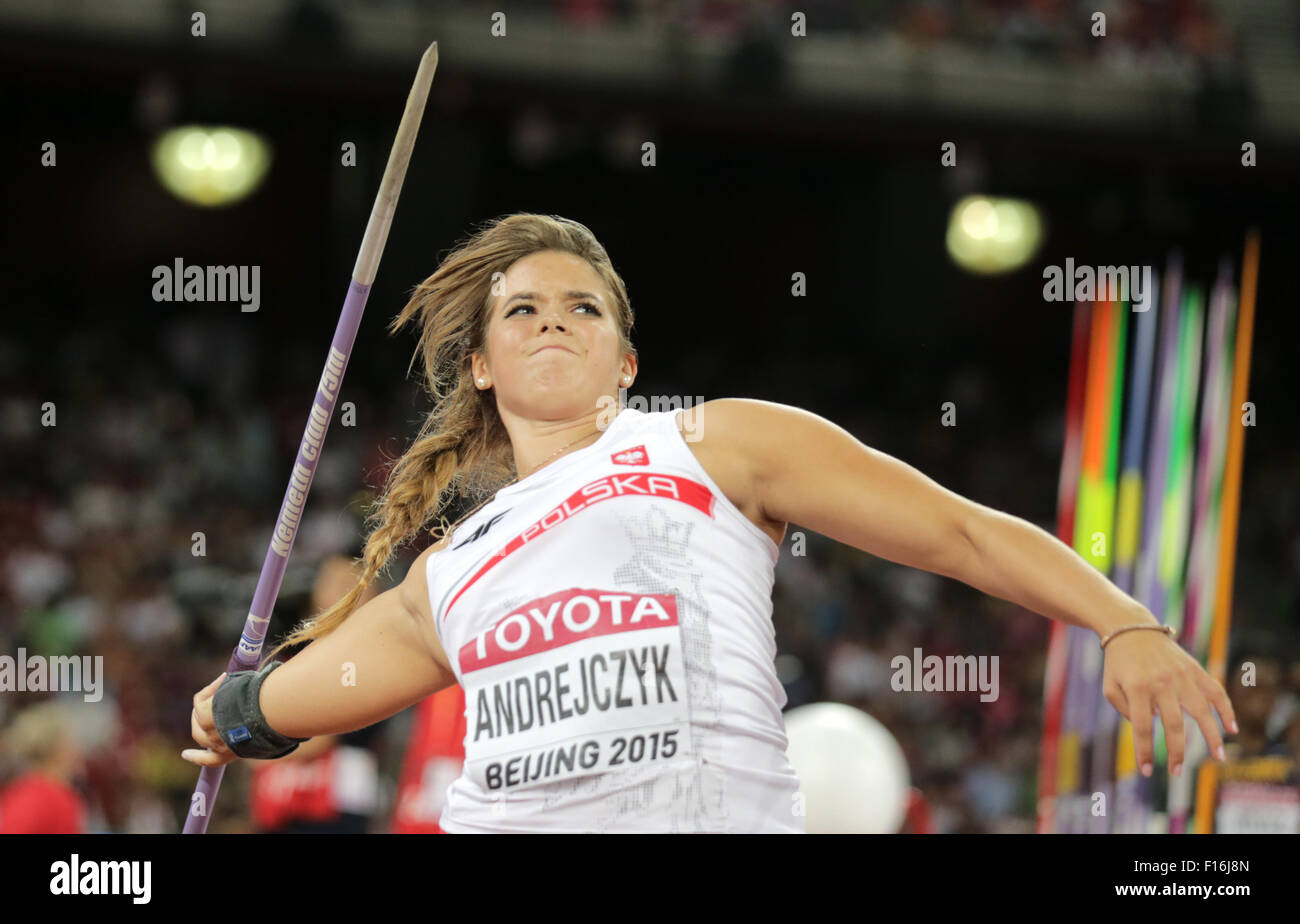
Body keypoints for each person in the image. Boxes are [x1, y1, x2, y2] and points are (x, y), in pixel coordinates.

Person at [183, 213, 1238, 833]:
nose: (553, 314)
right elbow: (283, 705)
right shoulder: (446, 573)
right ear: (480, 365)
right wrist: (231, 712)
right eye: (522, 308)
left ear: (625, 362)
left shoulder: (714, 443)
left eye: (583, 306)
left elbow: (956, 532)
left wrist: (1120, 619)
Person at [0, 701, 87, 833]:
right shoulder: (56, 800)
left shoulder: (18, 791)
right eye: (71, 742)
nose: (78, 749)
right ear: (59, 749)